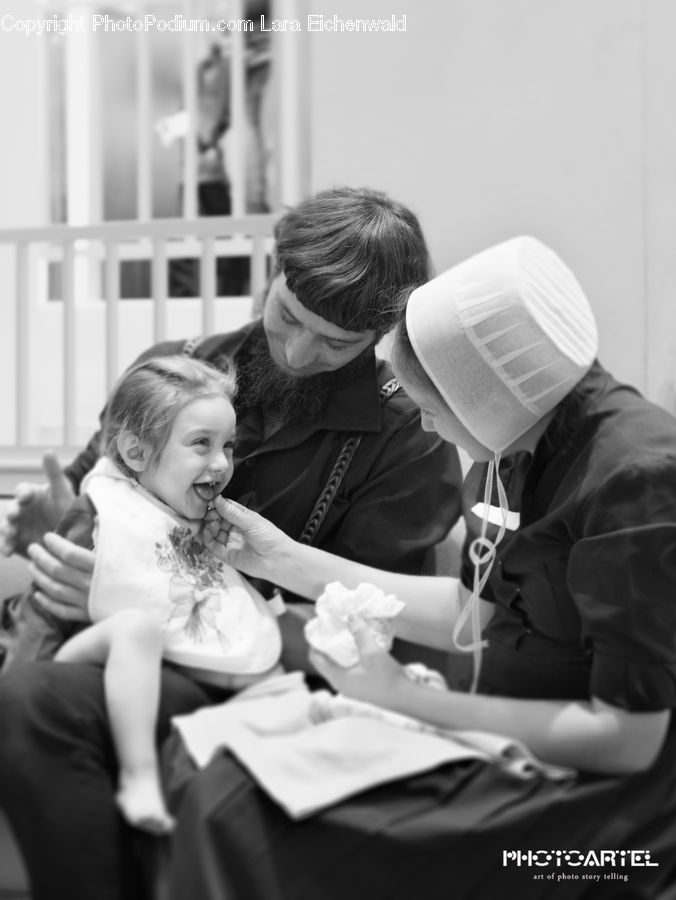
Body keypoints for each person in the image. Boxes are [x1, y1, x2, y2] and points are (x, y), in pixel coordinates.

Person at [159, 235, 676, 899]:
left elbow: (627, 741)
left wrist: (406, 699)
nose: (427, 429)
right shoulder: (521, 436)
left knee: (246, 815)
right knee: (214, 765)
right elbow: (473, 612)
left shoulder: (636, 479)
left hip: (612, 820)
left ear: (482, 394)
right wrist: (279, 559)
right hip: (504, 733)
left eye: (431, 408)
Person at [0, 187, 462, 900]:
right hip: (120, 635)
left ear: (382, 333)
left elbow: (370, 629)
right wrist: (61, 538)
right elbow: (104, 499)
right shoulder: (171, 369)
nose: (301, 352)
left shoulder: (406, 437)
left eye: (337, 343)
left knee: (36, 701)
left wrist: (209, 591)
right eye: (287, 317)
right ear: (270, 272)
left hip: (260, 667)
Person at [6, 355, 282, 835]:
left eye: (229, 446)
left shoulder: (198, 516)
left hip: (160, 678)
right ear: (135, 454)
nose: (221, 463)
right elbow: (41, 616)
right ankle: (139, 777)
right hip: (70, 663)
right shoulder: (103, 514)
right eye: (201, 444)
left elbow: (225, 604)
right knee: (137, 629)